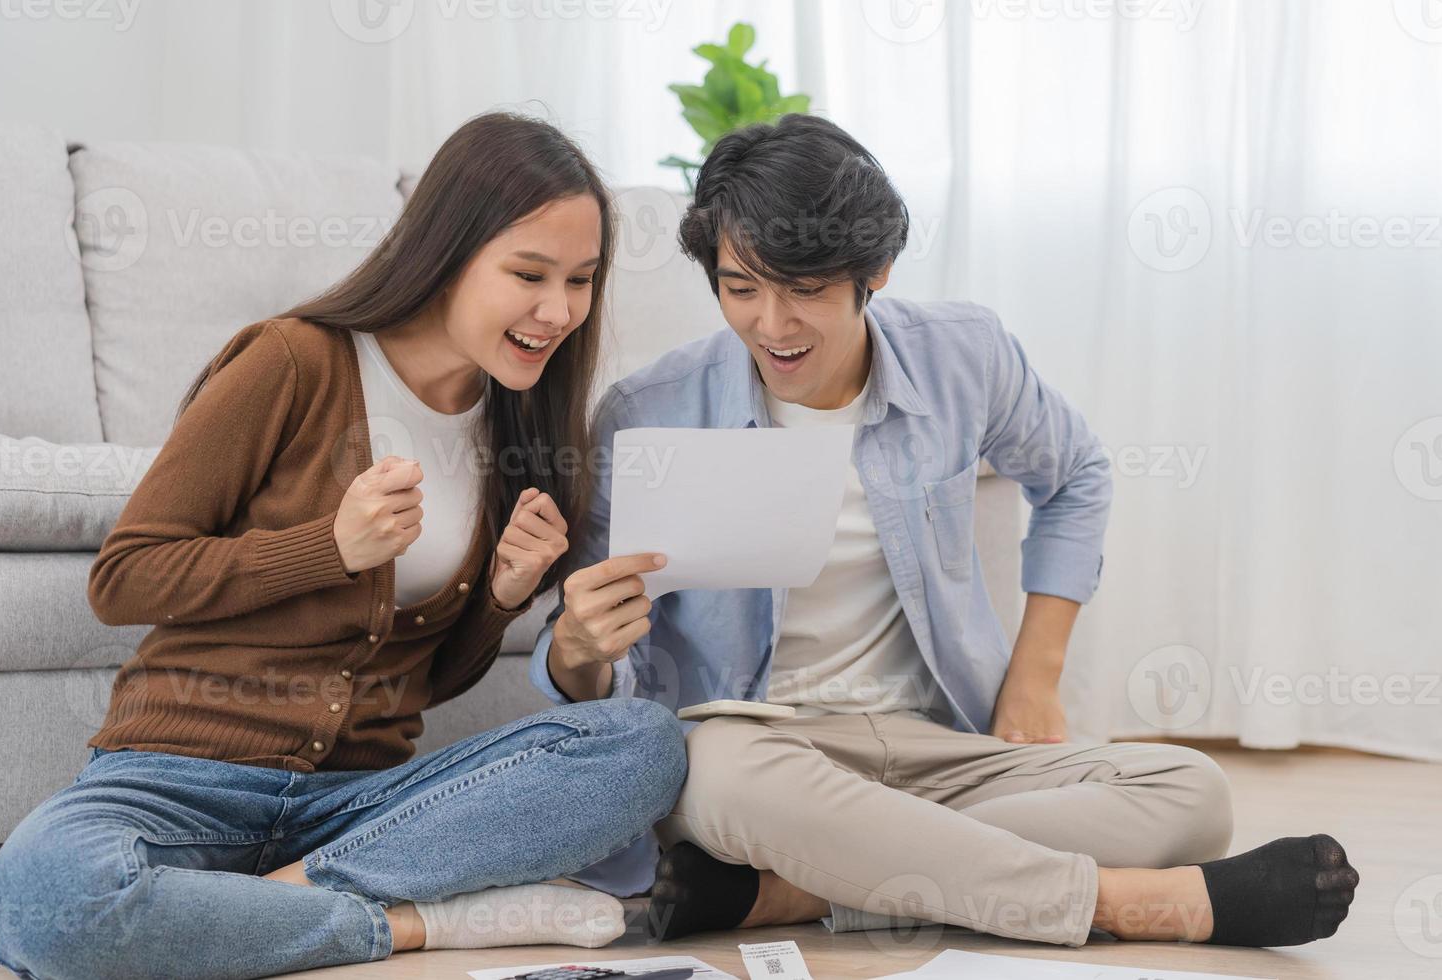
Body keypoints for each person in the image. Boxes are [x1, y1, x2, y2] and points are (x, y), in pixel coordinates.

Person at [532, 114, 1358, 949]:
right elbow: (609, 672)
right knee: (709, 773)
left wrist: (1035, 676)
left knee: (1193, 790)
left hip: (942, 747)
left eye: (807, 290)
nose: (773, 326)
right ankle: (1121, 903)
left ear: (876, 271)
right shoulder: (649, 414)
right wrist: (578, 647)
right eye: (741, 288)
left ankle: (795, 890)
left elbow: (1075, 475)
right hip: (765, 754)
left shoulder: (964, 355)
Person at [0, 112, 686, 980]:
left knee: (642, 743)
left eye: (581, 280)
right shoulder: (293, 362)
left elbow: (423, 682)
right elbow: (124, 578)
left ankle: (269, 907)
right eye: (528, 273)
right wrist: (329, 548)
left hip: (361, 807)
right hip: (175, 779)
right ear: (447, 255)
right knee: (44, 897)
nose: (559, 311)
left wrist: (502, 595)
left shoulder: (521, 426)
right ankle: (413, 925)